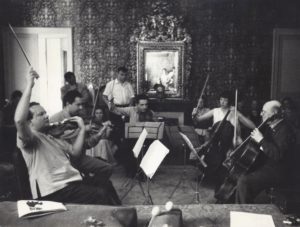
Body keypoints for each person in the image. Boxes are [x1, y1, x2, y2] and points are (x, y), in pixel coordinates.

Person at [14, 68, 118, 204]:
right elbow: (19, 121)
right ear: (29, 122)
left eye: (46, 113)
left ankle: (122, 217)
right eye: (41, 115)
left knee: (106, 184)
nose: (46, 116)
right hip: (53, 189)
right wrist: (29, 85)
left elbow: (75, 152)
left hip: (70, 182)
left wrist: (81, 130)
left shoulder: (51, 136)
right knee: (100, 194)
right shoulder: (30, 138)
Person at [49, 90, 116, 190]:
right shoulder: (56, 119)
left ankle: (92, 187)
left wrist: (99, 134)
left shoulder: (77, 119)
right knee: (105, 170)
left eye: (82, 105)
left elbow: (86, 144)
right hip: (66, 160)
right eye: (78, 105)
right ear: (68, 104)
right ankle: (90, 188)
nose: (81, 108)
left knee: (108, 168)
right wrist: (82, 129)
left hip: (79, 157)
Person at [235, 100, 296, 203]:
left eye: (264, 111)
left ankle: (243, 212)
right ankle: (241, 205)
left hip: (278, 171)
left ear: (274, 114)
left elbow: (278, 155)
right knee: (240, 173)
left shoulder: (285, 130)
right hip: (266, 165)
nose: (260, 114)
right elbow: (260, 147)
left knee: (244, 182)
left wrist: (261, 140)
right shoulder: (269, 126)